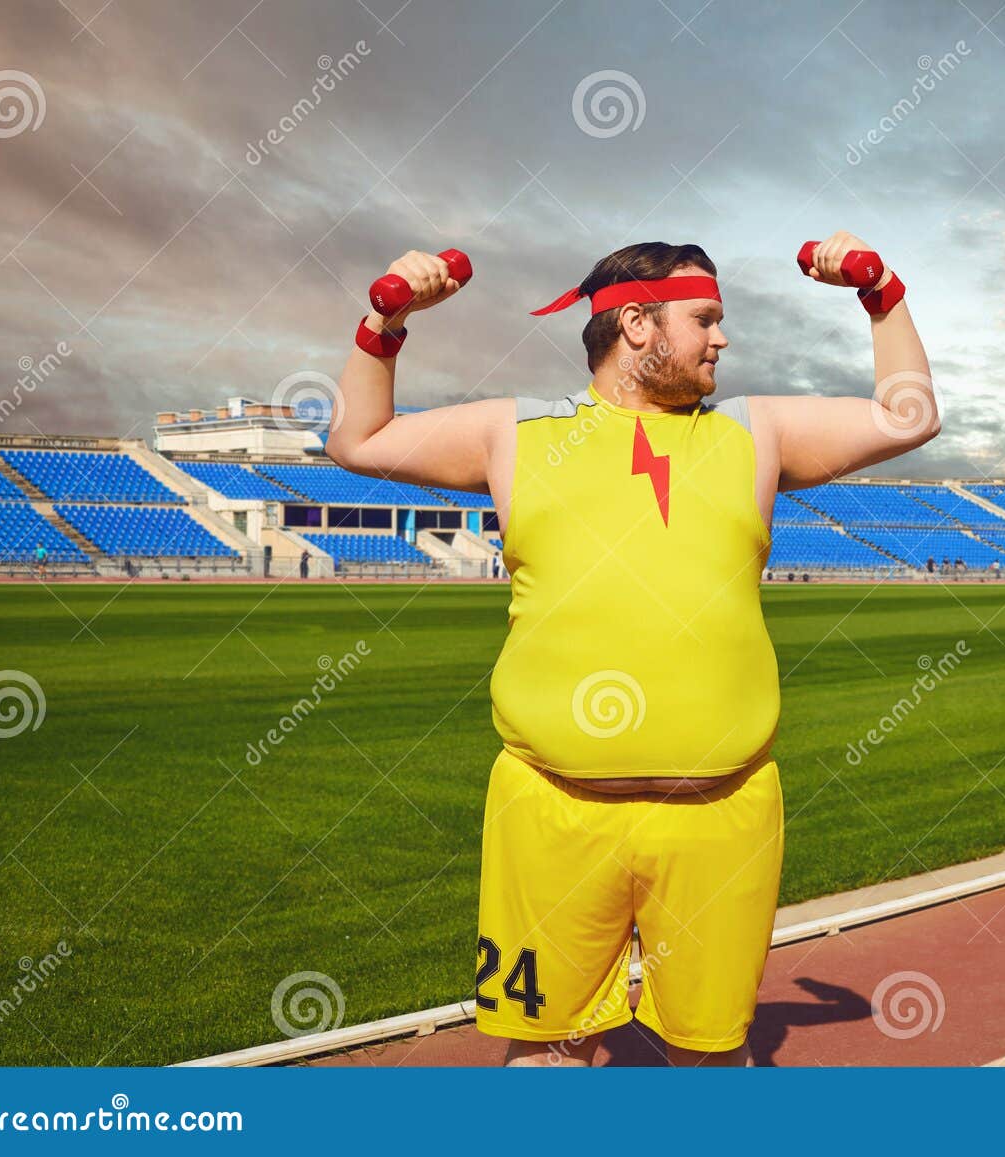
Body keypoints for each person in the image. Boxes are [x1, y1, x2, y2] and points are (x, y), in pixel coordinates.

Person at [327, 235, 936, 1067]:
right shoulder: (518, 433)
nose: (722, 339)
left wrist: (881, 290)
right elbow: (358, 439)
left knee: (710, 1058)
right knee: (544, 1058)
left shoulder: (757, 433)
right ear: (638, 325)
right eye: (706, 319)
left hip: (724, 817)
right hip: (550, 813)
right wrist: (386, 320)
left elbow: (912, 417)